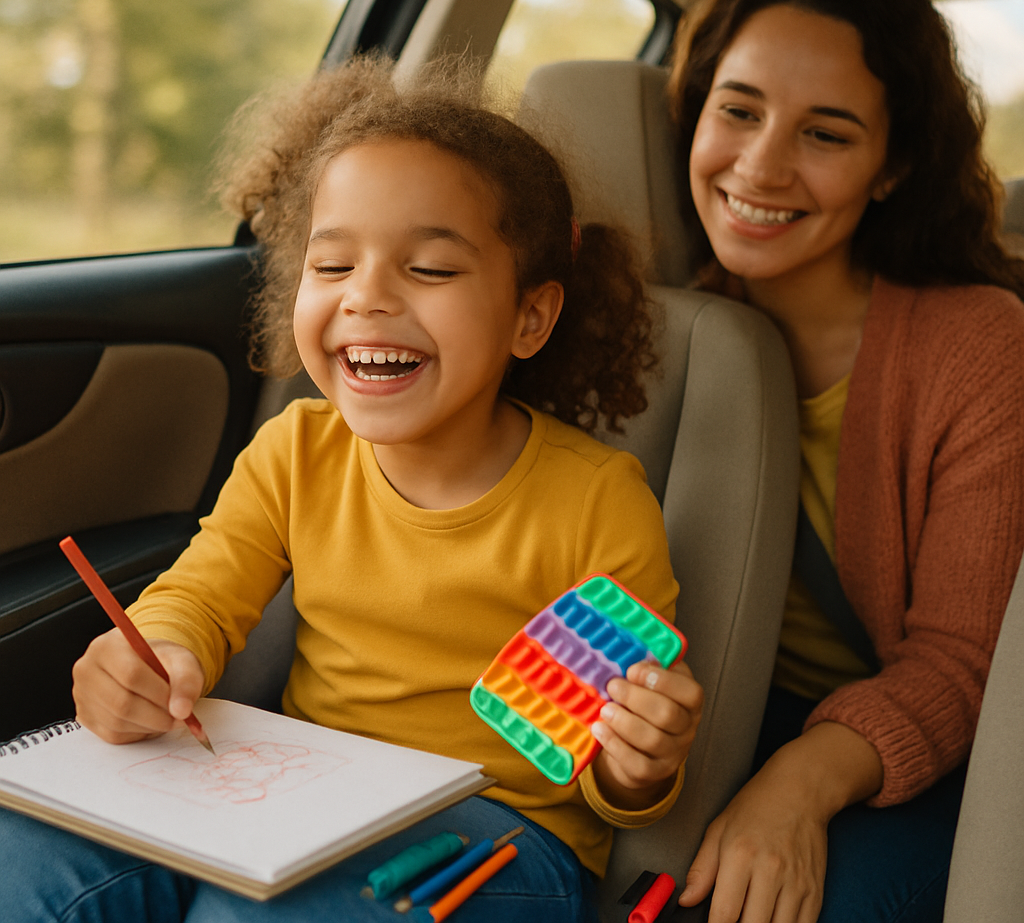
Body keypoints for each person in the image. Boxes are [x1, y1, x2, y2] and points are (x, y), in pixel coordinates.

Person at [0, 57, 703, 922]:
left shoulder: (598, 499)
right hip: (301, 791)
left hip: (496, 834)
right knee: (23, 865)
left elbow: (613, 765)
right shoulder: (296, 448)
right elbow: (203, 593)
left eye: (432, 271)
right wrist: (158, 653)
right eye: (332, 267)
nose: (367, 297)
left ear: (530, 316)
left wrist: (639, 766)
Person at [666, 0, 1024, 923]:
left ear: (890, 166)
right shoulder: (647, 330)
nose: (760, 164)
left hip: (915, 747)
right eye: (737, 109)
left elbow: (961, 664)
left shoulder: (978, 347)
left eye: (824, 134)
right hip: (706, 715)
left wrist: (794, 784)